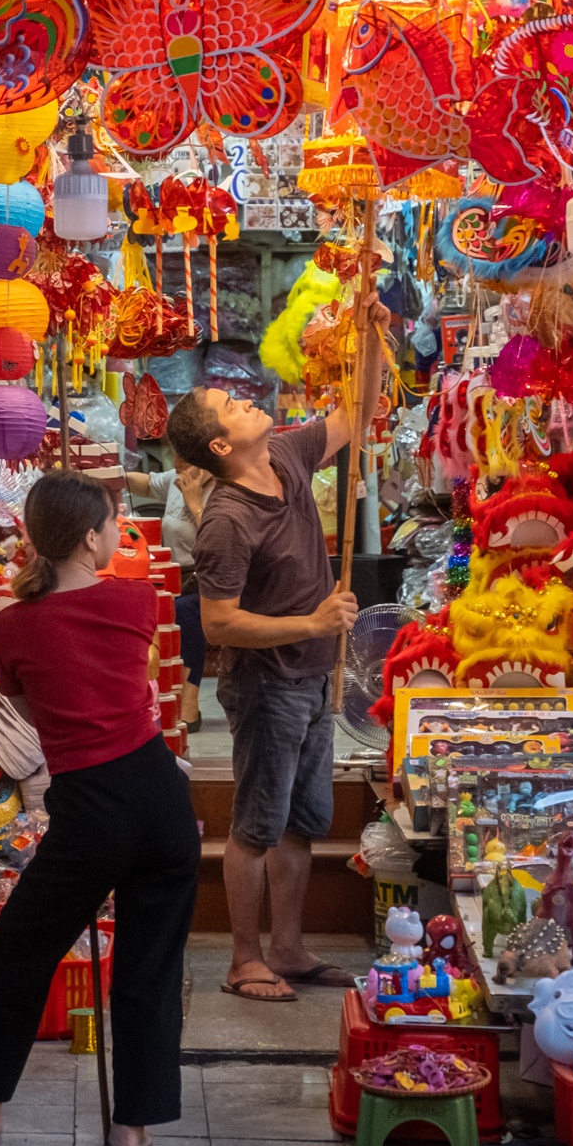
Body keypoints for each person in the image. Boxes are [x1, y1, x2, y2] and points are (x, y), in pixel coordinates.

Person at [0, 471, 199, 1146]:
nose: (114, 533)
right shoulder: (137, 598)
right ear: (91, 537)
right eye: (110, 522)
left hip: (90, 804)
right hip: (160, 796)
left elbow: (37, 716)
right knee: (148, 966)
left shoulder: (8, 625)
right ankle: (132, 1126)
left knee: (18, 950)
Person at [165, 343, 378, 1004]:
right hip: (269, 686)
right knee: (257, 824)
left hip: (314, 679)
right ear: (224, 445)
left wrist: (370, 336)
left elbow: (355, 413)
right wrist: (313, 624)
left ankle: (288, 946)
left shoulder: (284, 454)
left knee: (303, 821)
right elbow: (221, 623)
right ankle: (244, 957)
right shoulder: (227, 520)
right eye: (231, 404)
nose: (245, 396)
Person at [124, 458, 214, 728]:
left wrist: (195, 501)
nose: (175, 460)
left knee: (185, 612)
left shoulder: (221, 487)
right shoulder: (178, 477)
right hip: (176, 577)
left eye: (182, 453)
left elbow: (217, 539)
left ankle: (190, 704)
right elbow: (149, 483)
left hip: (208, 576)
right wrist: (111, 473)